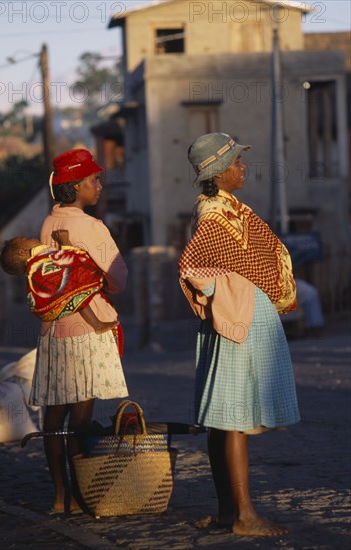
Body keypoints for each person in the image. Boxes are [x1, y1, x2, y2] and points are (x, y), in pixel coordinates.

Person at [179, 132, 300, 536]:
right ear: (217, 171)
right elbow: (196, 268)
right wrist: (227, 293)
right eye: (235, 162)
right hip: (237, 320)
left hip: (237, 317)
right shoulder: (215, 216)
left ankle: (228, 513)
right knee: (234, 419)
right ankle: (245, 516)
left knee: (224, 420)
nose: (242, 167)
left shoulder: (229, 209)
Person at [28, 148, 129, 514]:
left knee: (54, 416)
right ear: (75, 187)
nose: (99, 185)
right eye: (93, 180)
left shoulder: (47, 223)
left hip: (53, 329)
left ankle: (60, 496)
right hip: (86, 332)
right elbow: (118, 279)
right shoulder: (92, 227)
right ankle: (86, 494)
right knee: (81, 418)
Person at [0, 230, 120, 336]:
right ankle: (97, 325)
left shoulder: (33, 272)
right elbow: (66, 261)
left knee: (77, 298)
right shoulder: (40, 257)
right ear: (22, 252)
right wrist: (65, 242)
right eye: (26, 239)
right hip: (59, 298)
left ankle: (97, 325)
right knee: (75, 289)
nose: (32, 238)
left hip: (46, 308)